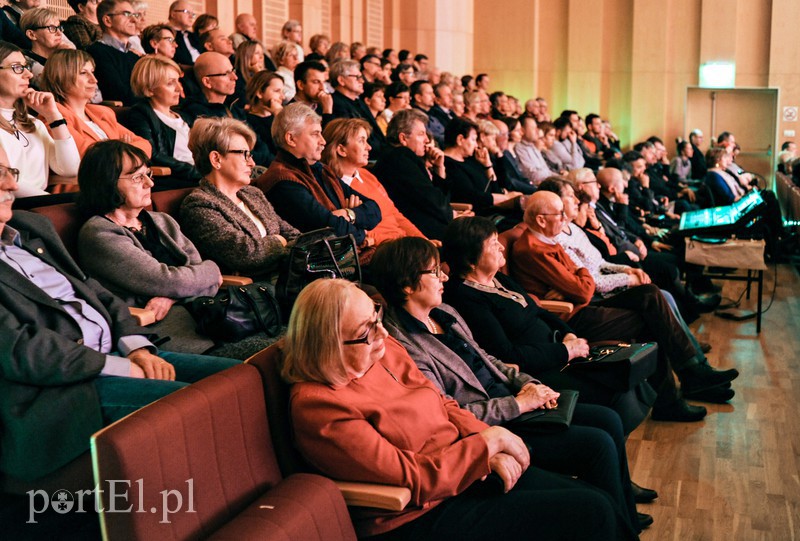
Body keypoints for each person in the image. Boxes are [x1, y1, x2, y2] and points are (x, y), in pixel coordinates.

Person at [283, 278, 629, 541]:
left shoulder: (383, 351)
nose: (383, 333)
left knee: (597, 500)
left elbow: (443, 403)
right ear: (327, 344)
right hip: (417, 514)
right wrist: (486, 446)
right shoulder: (320, 407)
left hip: (465, 473)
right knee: (593, 512)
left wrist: (488, 444)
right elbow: (412, 477)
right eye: (366, 331)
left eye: (378, 318)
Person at [368, 237, 644, 535]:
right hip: (496, 423)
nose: (444, 277)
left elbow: (487, 359)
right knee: (598, 444)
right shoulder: (404, 346)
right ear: (407, 286)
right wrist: (519, 404)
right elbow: (449, 412)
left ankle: (623, 515)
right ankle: (616, 522)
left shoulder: (444, 313)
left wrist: (530, 384)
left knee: (609, 419)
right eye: (434, 271)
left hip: (515, 400)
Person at [0, 142, 238, 482]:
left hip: (118, 351)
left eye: (11, 172)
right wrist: (121, 367)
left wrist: (136, 349)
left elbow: (96, 293)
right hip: (62, 391)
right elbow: (24, 352)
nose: (11, 184)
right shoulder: (99, 231)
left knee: (241, 379)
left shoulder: (31, 228)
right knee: (203, 408)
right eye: (0, 174)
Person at [508, 191, 738, 420]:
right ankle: (681, 387)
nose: (565, 217)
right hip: (572, 317)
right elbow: (584, 289)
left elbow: (582, 279)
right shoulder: (533, 249)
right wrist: (580, 276)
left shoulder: (548, 240)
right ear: (541, 220)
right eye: (559, 214)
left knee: (649, 293)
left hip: (583, 303)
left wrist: (578, 277)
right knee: (651, 319)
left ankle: (688, 377)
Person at [440, 216, 655, 433]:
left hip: (560, 349)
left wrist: (568, 334)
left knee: (625, 370)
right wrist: (565, 351)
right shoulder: (465, 297)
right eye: (493, 244)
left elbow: (539, 311)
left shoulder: (498, 278)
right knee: (615, 391)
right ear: (470, 260)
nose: (501, 247)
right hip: (536, 370)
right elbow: (507, 354)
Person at [75, 140, 218, 353]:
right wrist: (208, 273)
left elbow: (206, 275)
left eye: (148, 174)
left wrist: (169, 297)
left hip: (209, 317)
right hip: (161, 331)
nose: (149, 183)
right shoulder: (99, 233)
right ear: (106, 182)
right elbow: (171, 280)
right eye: (136, 177)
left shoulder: (162, 220)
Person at [180, 117, 299, 278]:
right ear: (216, 159)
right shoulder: (199, 205)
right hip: (256, 287)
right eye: (244, 154)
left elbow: (294, 236)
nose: (252, 163)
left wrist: (277, 245)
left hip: (286, 276)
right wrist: (279, 241)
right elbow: (248, 255)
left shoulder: (252, 194)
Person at [254, 103, 381, 252]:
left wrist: (349, 214)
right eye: (315, 134)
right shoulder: (282, 180)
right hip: (326, 261)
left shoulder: (321, 169)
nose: (323, 141)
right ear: (291, 139)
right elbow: (330, 230)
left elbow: (374, 209)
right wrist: (361, 232)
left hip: (345, 255)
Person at [321, 117, 428, 245]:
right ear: (341, 150)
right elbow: (364, 238)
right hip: (386, 248)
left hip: (402, 242)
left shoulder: (366, 175)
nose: (369, 147)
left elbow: (395, 215)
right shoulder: (332, 188)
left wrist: (423, 241)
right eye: (361, 141)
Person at [0, 42, 80, 197]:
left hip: (39, 204)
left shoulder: (34, 123)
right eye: (17, 67)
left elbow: (70, 168)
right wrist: (49, 202)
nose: (29, 75)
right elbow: (8, 182)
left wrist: (53, 116)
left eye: (26, 67)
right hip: (11, 205)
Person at [40, 48, 151, 158]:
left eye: (92, 72)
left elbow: (145, 145)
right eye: (83, 73)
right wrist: (122, 148)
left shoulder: (103, 112)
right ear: (60, 77)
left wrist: (119, 152)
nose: (94, 80)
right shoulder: (53, 116)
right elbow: (89, 156)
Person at [372, 109, 462, 240]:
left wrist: (439, 168)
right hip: (419, 237)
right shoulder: (400, 157)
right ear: (403, 138)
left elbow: (439, 201)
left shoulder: (398, 156)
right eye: (421, 134)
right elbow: (436, 204)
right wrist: (453, 215)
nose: (427, 140)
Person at [121, 54, 200, 186]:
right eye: (170, 83)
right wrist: (197, 172)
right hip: (180, 179)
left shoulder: (184, 116)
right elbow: (152, 154)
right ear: (150, 89)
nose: (179, 88)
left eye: (178, 81)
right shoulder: (141, 114)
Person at [86, 0, 142, 106]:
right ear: (108, 20)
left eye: (135, 15)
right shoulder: (97, 52)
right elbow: (118, 95)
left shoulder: (135, 56)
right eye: (126, 14)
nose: (134, 20)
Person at [244, 70, 284, 162]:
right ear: (260, 93)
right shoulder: (247, 120)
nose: (282, 96)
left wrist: (279, 113)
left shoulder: (280, 113)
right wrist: (279, 114)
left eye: (282, 91)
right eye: (277, 91)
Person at [20, 7, 64, 88]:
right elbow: (61, 89)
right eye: (52, 28)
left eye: (59, 28)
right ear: (32, 35)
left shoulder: (59, 58)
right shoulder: (26, 62)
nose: (59, 33)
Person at [167, 0, 201, 67]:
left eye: (193, 14)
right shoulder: (165, 35)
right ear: (173, 14)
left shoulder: (193, 36)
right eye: (186, 12)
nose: (191, 16)